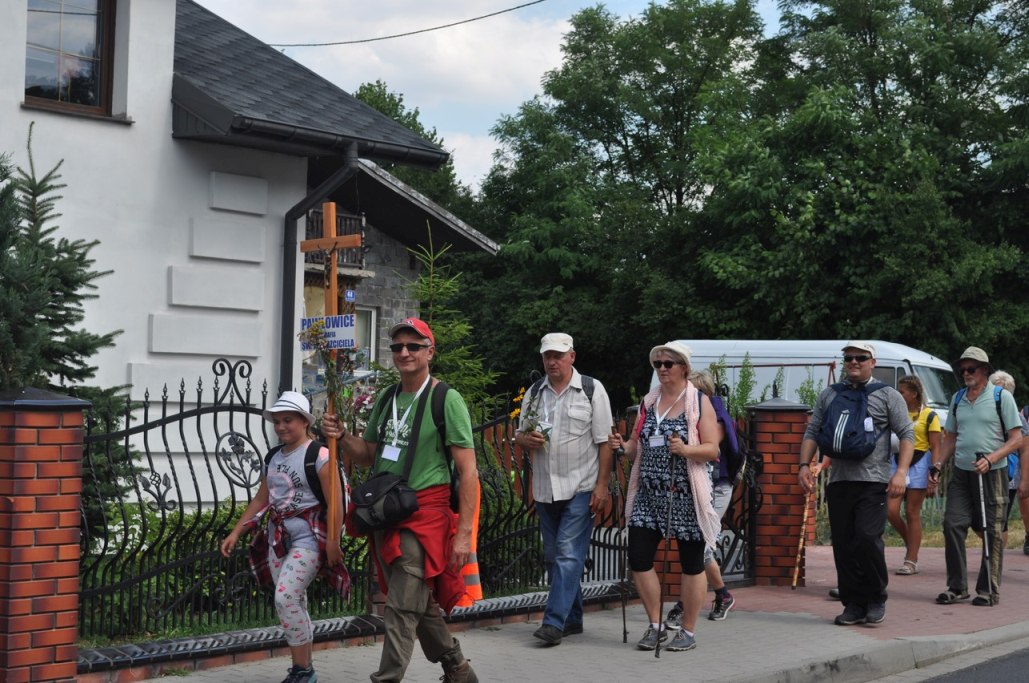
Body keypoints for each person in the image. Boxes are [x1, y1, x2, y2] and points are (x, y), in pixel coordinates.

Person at [322, 317, 479, 683]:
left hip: (425, 514)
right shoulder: (388, 398)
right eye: (397, 347)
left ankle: (387, 678)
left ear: (430, 352)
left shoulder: (446, 399)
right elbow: (368, 454)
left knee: (401, 607)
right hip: (386, 511)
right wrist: (342, 436)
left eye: (413, 346)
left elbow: (468, 472)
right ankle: (457, 668)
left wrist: (464, 535)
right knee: (414, 600)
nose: (404, 352)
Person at [220, 391, 346, 683]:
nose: (281, 427)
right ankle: (304, 668)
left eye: (287, 420)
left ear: (305, 421)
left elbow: (336, 502)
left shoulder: (320, 456)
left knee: (285, 597)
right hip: (278, 540)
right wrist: (237, 531)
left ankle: (303, 671)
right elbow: (261, 499)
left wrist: (333, 542)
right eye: (277, 422)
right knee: (294, 600)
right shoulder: (273, 457)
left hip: (309, 539)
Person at [608, 341, 721, 653]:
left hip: (686, 494)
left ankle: (688, 631)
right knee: (639, 557)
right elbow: (636, 445)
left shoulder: (699, 402)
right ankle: (656, 625)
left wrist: (685, 449)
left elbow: (712, 449)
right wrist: (622, 447)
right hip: (649, 493)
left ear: (683, 367)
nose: (661, 369)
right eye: (657, 364)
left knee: (692, 563)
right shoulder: (649, 401)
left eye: (668, 363)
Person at [797, 342, 913, 626]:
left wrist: (901, 472)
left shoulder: (888, 395)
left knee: (866, 537)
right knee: (843, 544)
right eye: (849, 357)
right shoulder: (830, 394)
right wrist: (803, 465)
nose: (854, 361)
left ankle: (875, 598)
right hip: (839, 480)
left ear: (873, 362)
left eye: (861, 357)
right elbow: (813, 430)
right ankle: (853, 604)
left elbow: (907, 434)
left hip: (873, 481)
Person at [513, 332, 614, 647]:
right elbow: (520, 434)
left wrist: (602, 486)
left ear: (572, 356)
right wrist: (525, 439)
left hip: (581, 485)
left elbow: (605, 442)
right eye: (547, 356)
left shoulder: (591, 390)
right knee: (553, 557)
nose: (552, 361)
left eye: (558, 355)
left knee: (568, 554)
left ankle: (553, 623)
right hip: (545, 488)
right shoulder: (534, 392)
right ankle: (572, 619)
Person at [929, 347, 1022, 607]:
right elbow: (951, 437)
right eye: (963, 370)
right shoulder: (958, 398)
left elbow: (1016, 439)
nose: (966, 374)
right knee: (952, 524)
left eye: (971, 369)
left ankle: (988, 589)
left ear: (984, 371)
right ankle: (957, 586)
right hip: (962, 472)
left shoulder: (1001, 397)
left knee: (992, 530)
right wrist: (938, 465)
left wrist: (991, 458)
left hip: (993, 473)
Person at [665, 369, 737, 628]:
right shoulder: (695, 412)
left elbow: (708, 448)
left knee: (701, 546)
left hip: (716, 488)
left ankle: (691, 604)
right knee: (697, 546)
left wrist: (683, 446)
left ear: (702, 393)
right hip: (700, 487)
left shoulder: (715, 418)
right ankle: (719, 595)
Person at [887, 375, 942, 576]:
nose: (898, 394)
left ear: (914, 394)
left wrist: (934, 473)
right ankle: (911, 542)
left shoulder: (930, 415)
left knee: (912, 512)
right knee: (891, 511)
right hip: (898, 460)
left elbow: (936, 447)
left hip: (920, 462)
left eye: (901, 391)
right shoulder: (895, 413)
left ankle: (911, 559)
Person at [985, 371, 1029, 549]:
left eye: (1000, 392)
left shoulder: (1017, 417)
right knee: (985, 518)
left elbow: (1025, 448)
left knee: (1000, 520)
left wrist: (1024, 479)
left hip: (1007, 475)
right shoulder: (982, 411)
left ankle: (996, 558)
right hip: (982, 470)